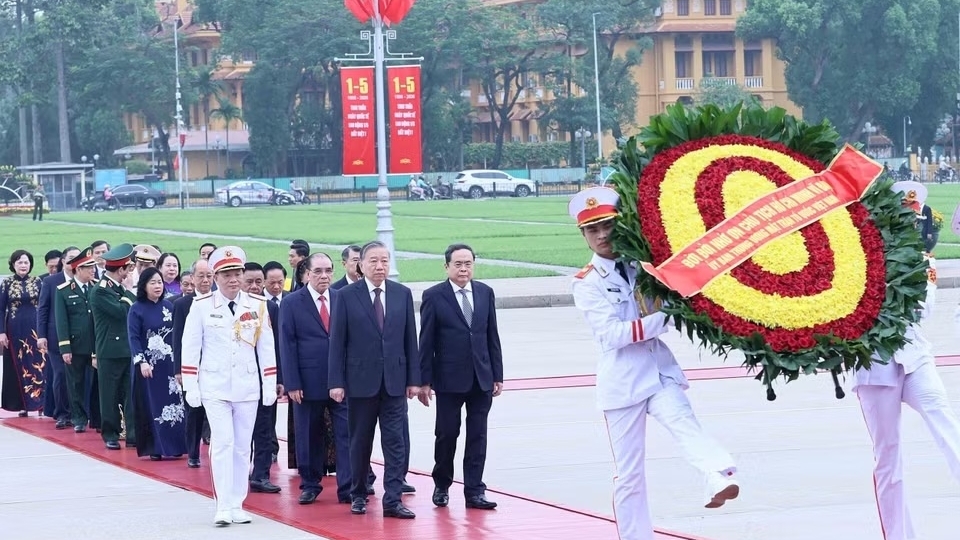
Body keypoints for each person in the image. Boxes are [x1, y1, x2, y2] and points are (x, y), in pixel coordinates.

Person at [568, 187, 739, 540]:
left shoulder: (643, 265)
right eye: (592, 230)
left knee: (684, 424)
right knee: (629, 474)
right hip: (623, 382)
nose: (601, 235)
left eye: (607, 226)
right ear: (583, 235)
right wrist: (669, 316)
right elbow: (612, 335)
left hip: (659, 371)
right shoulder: (587, 282)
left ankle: (718, 475)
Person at [853, 258, 960, 540]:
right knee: (888, 456)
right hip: (874, 365)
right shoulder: (855, 255)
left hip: (914, 355)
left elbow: (923, 309)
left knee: (945, 421)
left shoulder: (922, 259)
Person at [181, 246, 278, 526]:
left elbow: (266, 347)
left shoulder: (257, 305)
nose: (233, 279)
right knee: (222, 443)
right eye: (226, 275)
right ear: (216, 277)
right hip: (215, 385)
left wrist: (269, 383)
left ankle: (237, 503)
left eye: (237, 273)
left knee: (242, 447)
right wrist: (191, 386)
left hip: (247, 385)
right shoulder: (202, 306)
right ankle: (223, 504)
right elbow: (190, 347)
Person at [328, 240, 420, 519]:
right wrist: (336, 382)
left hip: (394, 382)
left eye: (384, 261)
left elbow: (410, 340)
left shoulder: (402, 294)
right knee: (360, 442)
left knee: (395, 443)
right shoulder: (345, 296)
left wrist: (413, 379)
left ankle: (392, 499)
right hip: (360, 383)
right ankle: (358, 493)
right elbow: (337, 342)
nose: (380, 266)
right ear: (361, 265)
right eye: (374, 261)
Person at [417, 243, 503, 510]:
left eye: (468, 264)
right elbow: (426, 341)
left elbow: (492, 335)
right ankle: (442, 485)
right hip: (448, 380)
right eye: (458, 264)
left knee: (478, 436)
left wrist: (497, 374)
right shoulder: (434, 296)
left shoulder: (485, 292)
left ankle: (475, 491)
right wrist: (424, 381)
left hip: (481, 378)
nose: (464, 269)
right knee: (447, 434)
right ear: (447, 267)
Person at [281, 252, 352, 504]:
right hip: (307, 382)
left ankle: (348, 487)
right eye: (318, 271)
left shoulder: (342, 298)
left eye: (328, 271)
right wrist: (292, 383)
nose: (324, 276)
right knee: (308, 434)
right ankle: (310, 484)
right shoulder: (291, 302)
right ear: (307, 274)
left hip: (341, 381)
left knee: (346, 434)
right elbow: (287, 344)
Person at [128, 267, 186, 460]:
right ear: (144, 286)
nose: (157, 286)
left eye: (159, 282)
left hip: (169, 365)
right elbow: (133, 338)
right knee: (153, 404)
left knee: (174, 404)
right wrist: (141, 361)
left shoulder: (169, 306)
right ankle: (155, 447)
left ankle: (176, 445)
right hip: (149, 366)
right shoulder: (136, 309)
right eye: (152, 282)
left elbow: (177, 335)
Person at [89, 243, 138, 450]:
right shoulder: (100, 291)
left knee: (130, 394)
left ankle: (133, 434)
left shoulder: (115, 288)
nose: (128, 274)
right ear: (120, 270)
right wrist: (129, 291)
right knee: (109, 395)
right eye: (127, 269)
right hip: (109, 351)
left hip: (126, 349)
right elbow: (121, 312)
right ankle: (110, 433)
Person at [241, 262, 284, 495]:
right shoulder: (233, 307)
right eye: (249, 282)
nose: (255, 286)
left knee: (265, 429)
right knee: (241, 431)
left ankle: (261, 475)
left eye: (259, 281)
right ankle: (239, 473)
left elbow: (279, 346)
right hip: (239, 380)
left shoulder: (270, 308)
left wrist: (280, 378)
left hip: (265, 379)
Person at [173, 259, 214, 468]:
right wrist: (179, 370)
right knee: (194, 410)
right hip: (192, 366)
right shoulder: (183, 304)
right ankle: (193, 452)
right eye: (201, 276)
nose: (205, 280)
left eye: (209, 276)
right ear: (192, 278)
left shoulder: (219, 300)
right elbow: (178, 338)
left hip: (215, 365)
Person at [54, 247, 99, 433]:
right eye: (89, 267)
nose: (93, 270)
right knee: (76, 384)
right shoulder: (64, 291)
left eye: (93, 267)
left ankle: (98, 418)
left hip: (97, 345)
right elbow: (61, 321)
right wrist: (65, 348)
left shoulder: (97, 288)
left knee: (98, 384)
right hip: (76, 345)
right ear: (78, 269)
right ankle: (79, 418)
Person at [38, 246, 79, 429]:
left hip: (79, 336)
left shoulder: (85, 280)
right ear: (63, 261)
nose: (74, 261)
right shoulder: (51, 281)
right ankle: (62, 413)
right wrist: (41, 335)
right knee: (60, 374)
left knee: (78, 376)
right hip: (56, 336)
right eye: (71, 257)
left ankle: (78, 413)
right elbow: (43, 309)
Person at [0, 250, 45, 416]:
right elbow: (0, 309)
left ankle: (41, 403)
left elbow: (44, 306)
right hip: (15, 330)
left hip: (35, 329)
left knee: (38, 363)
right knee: (18, 364)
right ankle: (22, 404)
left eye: (26, 262)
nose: (23, 265)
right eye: (20, 262)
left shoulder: (37, 281)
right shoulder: (7, 283)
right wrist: (1, 332)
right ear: (13, 265)